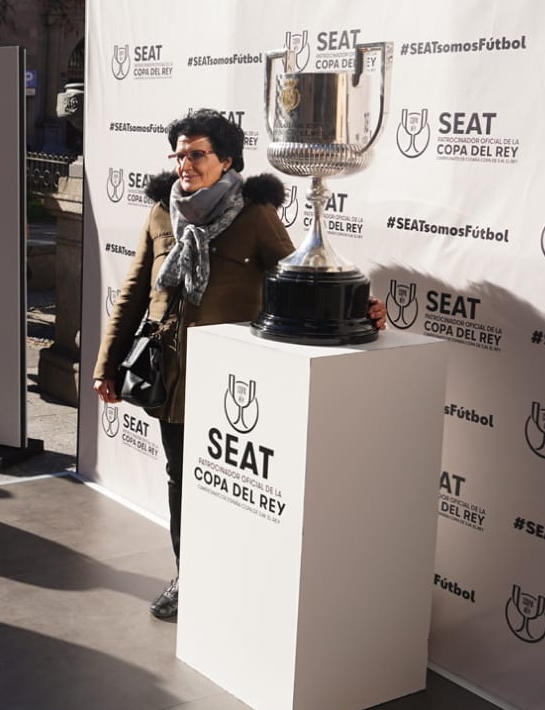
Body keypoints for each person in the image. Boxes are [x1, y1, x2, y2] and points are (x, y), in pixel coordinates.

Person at [93, 109, 384, 620]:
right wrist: (106, 364)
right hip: (171, 378)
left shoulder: (255, 215)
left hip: (235, 383)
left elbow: (300, 280)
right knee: (182, 478)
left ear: (226, 159)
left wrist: (360, 310)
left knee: (233, 486)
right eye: (179, 153)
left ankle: (238, 579)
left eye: (197, 153)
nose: (186, 162)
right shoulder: (162, 213)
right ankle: (189, 577)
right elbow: (134, 291)